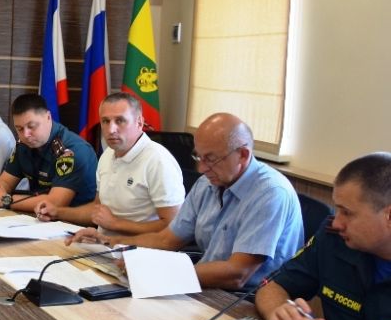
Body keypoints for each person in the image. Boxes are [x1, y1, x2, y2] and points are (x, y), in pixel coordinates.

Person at [67, 112, 302, 290]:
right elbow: (166, 239)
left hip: (245, 300)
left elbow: (237, 274)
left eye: (210, 159)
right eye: (198, 156)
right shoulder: (207, 184)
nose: (201, 168)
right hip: (202, 284)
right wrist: (110, 241)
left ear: (243, 155)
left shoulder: (270, 194)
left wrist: (159, 270)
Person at [256, 153, 391, 320]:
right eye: (337, 209)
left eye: (347, 213)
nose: (337, 222)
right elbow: (272, 287)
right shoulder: (334, 238)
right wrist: (280, 314)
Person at [36, 92, 184, 234]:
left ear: (139, 122)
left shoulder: (158, 161)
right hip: (103, 243)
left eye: (120, 121)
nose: (111, 129)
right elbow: (97, 209)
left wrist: (115, 224)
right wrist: (57, 212)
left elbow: (174, 227)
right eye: (106, 121)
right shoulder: (107, 154)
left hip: (139, 248)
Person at [0, 93, 97, 214]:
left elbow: (55, 203)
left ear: (48, 117)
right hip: (37, 216)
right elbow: (5, 181)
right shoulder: (24, 145)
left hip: (72, 221)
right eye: (19, 129)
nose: (26, 134)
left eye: (31, 126)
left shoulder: (73, 150)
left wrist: (5, 200)